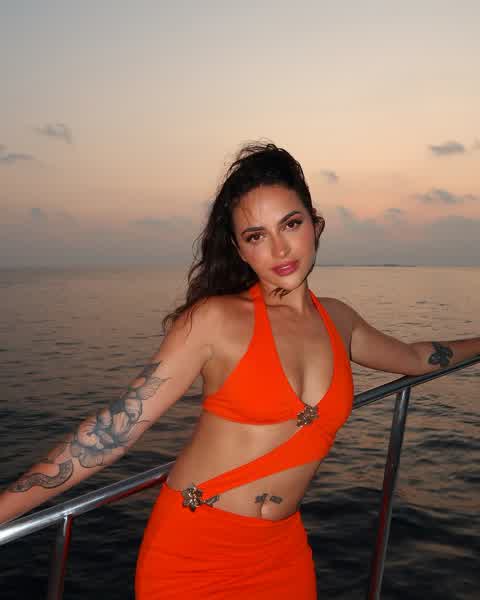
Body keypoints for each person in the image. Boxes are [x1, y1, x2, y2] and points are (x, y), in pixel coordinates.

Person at [0, 142, 478, 599]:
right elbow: (111, 432)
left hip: (283, 553)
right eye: (256, 236)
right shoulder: (215, 320)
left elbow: (418, 357)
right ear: (240, 248)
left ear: (316, 225)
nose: (279, 249)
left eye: (291, 224)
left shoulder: (339, 319)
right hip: (192, 556)